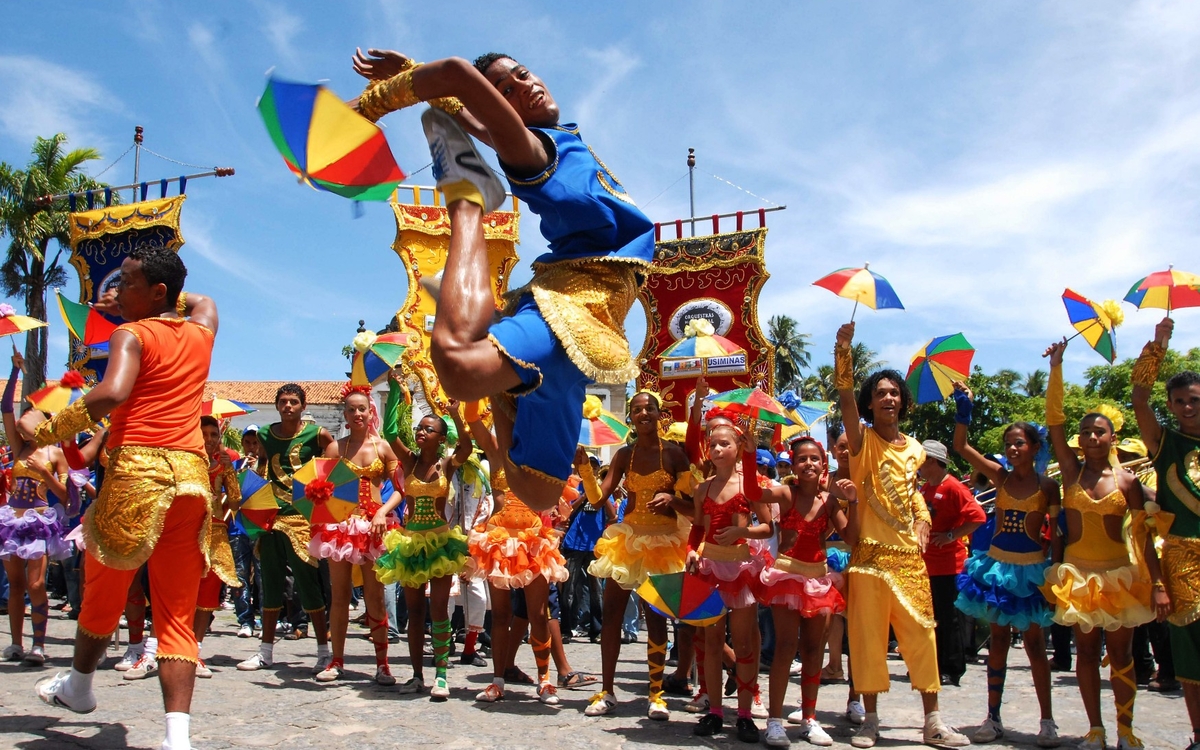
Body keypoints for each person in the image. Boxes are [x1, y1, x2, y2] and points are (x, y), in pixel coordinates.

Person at [350, 49, 652, 513]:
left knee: (538, 492)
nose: (523, 85)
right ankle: (468, 202)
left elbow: (477, 114)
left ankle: (493, 336)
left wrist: (413, 75)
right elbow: (456, 74)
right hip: (568, 306)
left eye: (523, 74)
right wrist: (371, 107)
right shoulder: (537, 151)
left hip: (586, 324)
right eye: (506, 90)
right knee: (458, 371)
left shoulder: (559, 141)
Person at [29, 246, 217, 750]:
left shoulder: (130, 334)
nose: (115, 291)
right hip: (192, 484)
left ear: (157, 292)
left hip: (138, 475)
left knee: (102, 591)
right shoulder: (202, 328)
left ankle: (80, 686)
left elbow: (111, 393)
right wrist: (160, 291)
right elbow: (200, 300)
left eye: (127, 282)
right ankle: (178, 739)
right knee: (175, 612)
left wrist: (48, 428)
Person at [834, 322, 970, 749]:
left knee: (922, 635)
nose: (888, 398)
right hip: (869, 558)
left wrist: (924, 524)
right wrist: (844, 353)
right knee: (868, 639)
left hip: (908, 559)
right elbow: (843, 401)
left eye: (894, 392)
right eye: (880, 393)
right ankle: (870, 720)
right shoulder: (862, 442)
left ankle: (932, 720)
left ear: (903, 402)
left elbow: (913, 495)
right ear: (870, 405)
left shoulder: (915, 449)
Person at [1042, 339, 1163, 750]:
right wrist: (1056, 367)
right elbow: (1053, 421)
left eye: (1099, 432)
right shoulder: (1071, 473)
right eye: (1086, 432)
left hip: (1118, 575)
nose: (1092, 437)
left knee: (1123, 655)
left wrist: (1157, 581)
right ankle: (1095, 728)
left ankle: (1125, 729)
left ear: (1113, 437)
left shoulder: (1128, 482)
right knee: (1086, 654)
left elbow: (1143, 535)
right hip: (1078, 574)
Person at [950, 387, 1061, 747]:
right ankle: (993, 716)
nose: (1013, 449)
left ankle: (1047, 721)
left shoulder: (1048, 486)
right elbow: (962, 447)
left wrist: (1056, 575)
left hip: (1030, 571)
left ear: (1034, 446)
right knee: (997, 642)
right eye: (1009, 443)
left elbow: (1055, 535)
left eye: (1020, 443)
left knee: (1034, 647)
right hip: (997, 567)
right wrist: (964, 411)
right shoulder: (1000, 476)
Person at [580, 391, 692, 720]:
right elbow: (598, 500)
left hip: (663, 543)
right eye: (637, 409)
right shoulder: (623, 456)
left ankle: (656, 694)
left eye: (649, 408)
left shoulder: (674, 456)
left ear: (660, 415)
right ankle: (608, 690)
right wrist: (586, 469)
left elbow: (694, 507)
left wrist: (671, 500)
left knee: (656, 620)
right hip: (627, 542)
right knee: (611, 616)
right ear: (631, 417)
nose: (644, 413)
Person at [463, 400, 569, 704]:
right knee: (501, 616)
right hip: (498, 542)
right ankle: (498, 681)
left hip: (533, 542)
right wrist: (477, 389)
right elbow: (472, 417)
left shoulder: (540, 456)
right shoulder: (495, 450)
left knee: (538, 613)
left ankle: (545, 680)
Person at [1128, 317, 1200, 750]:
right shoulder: (1165, 444)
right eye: (1179, 401)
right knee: (1191, 652)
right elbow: (1139, 399)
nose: (1187, 407)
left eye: (1194, 399)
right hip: (1181, 561)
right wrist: (1157, 347)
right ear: (1171, 406)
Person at [374, 384, 471, 698]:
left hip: (441, 544)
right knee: (414, 613)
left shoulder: (445, 465)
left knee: (439, 610)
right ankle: (416, 675)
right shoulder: (409, 462)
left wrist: (456, 414)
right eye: (419, 428)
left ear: (440, 438)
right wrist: (395, 391)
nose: (421, 432)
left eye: (428, 430)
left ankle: (441, 675)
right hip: (411, 542)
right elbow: (390, 434)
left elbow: (467, 448)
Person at [757, 436, 849, 747]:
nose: (808, 463)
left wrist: (857, 499)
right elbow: (752, 493)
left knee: (813, 650)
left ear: (824, 465)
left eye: (815, 458)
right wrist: (745, 453)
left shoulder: (830, 500)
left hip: (819, 580)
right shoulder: (785, 493)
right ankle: (774, 722)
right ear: (793, 465)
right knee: (785, 647)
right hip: (787, 576)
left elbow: (852, 535)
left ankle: (809, 718)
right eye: (802, 459)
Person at [311, 383, 404, 685]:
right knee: (338, 596)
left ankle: (382, 664)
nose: (357, 414)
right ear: (346, 415)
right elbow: (320, 489)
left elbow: (402, 488)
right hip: (342, 527)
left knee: (374, 598)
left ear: (370, 411)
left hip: (375, 527)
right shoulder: (335, 448)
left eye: (361, 408)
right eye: (351, 410)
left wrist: (382, 511)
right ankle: (336, 661)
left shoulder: (382, 448)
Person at [237, 385, 333, 673]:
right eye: (283, 402)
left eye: (293, 402)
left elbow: (332, 467)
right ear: (276, 405)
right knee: (271, 584)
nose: (288, 406)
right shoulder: (265, 434)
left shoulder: (318, 435)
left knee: (308, 586)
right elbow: (264, 465)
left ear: (304, 406)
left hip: (303, 520)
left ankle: (323, 651)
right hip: (272, 519)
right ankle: (265, 651)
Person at [688, 421, 771, 741]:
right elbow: (697, 528)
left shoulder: (750, 487)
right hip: (710, 568)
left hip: (739, 569)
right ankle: (715, 712)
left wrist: (741, 532)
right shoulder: (702, 488)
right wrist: (691, 551)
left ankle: (746, 714)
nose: (718, 449)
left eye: (725, 444)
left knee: (744, 643)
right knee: (711, 643)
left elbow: (768, 528)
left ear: (738, 448)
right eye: (713, 445)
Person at [1, 354, 71, 666]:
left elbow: (68, 498)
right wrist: (16, 371)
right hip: (12, 521)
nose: (25, 418)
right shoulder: (19, 448)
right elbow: (5, 409)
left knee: (37, 584)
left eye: (31, 413)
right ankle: (17, 644)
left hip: (39, 521)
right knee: (16, 586)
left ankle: (39, 644)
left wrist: (44, 475)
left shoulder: (55, 454)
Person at [916, 439, 986, 687]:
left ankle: (952, 668)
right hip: (927, 563)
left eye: (922, 461)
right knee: (930, 617)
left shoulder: (954, 487)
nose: (918, 466)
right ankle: (934, 664)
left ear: (934, 462)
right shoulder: (924, 489)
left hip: (948, 564)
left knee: (948, 617)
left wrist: (950, 536)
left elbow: (978, 517)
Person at [193, 416, 242, 679]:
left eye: (214, 435)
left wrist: (230, 471)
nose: (209, 439)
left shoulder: (223, 466)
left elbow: (234, 503)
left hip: (215, 534)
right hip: (187, 533)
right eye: (205, 433)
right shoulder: (186, 462)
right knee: (183, 594)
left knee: (207, 598)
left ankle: (196, 651)